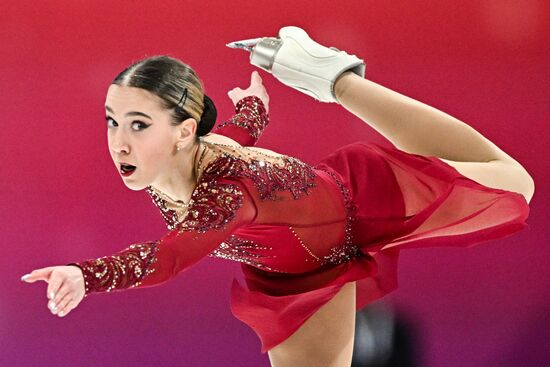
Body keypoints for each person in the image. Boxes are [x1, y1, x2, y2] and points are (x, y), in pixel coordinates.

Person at [21, 26, 533, 367]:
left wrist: (86, 275)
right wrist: (254, 112)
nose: (120, 142)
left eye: (138, 124)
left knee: (516, 183)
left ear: (182, 132)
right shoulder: (179, 160)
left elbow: (169, 256)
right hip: (295, 278)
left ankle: (335, 80)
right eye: (112, 121)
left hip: (361, 203)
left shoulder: (222, 193)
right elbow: (239, 136)